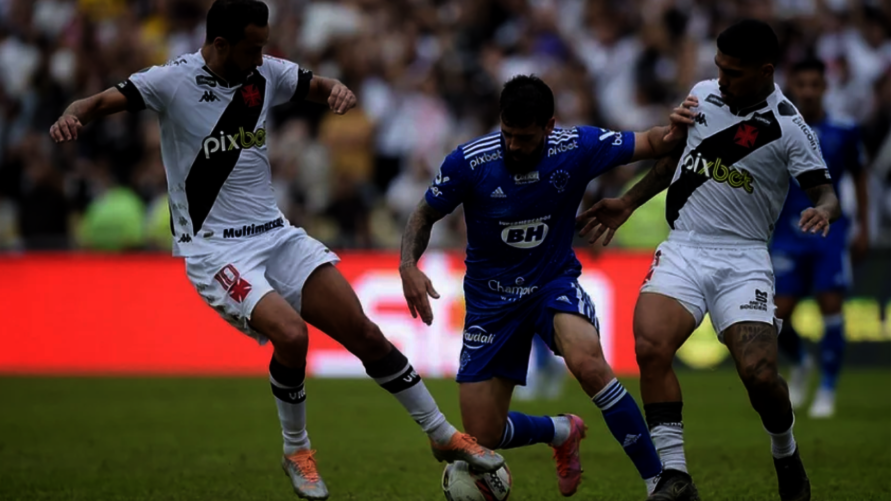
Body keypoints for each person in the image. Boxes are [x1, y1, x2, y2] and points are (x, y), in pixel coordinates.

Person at [49, 1, 503, 499]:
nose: (262, 55)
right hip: (216, 250)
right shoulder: (170, 81)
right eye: (253, 46)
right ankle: (297, 450)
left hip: (276, 234)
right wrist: (72, 116)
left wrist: (337, 91)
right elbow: (91, 104)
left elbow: (317, 85)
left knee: (365, 333)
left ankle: (441, 435)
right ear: (221, 44)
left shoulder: (265, 72)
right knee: (292, 336)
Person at [579, 20, 841, 501]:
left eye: (734, 72)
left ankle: (785, 453)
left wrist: (822, 210)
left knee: (759, 375)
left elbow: (824, 190)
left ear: (765, 71)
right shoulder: (703, 94)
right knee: (651, 347)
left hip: (743, 258)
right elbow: (674, 160)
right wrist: (629, 202)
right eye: (719, 67)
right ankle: (674, 475)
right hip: (684, 245)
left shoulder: (787, 126)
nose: (722, 79)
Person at [400, 74, 687, 499]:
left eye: (526, 137)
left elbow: (654, 142)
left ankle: (658, 484)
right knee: (481, 434)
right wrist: (408, 264)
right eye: (508, 134)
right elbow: (424, 215)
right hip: (490, 301)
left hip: (551, 283)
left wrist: (681, 124)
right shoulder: (470, 162)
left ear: (550, 126)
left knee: (589, 364)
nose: (514, 145)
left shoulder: (577, 147)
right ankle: (560, 430)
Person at [771, 58, 869, 419]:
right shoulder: (778, 127)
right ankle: (800, 362)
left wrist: (864, 228)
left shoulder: (844, 129)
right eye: (802, 85)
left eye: (815, 84)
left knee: (831, 308)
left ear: (825, 87)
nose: (809, 92)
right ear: (792, 87)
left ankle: (827, 389)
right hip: (786, 231)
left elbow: (859, 176)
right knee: (775, 317)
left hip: (830, 231)